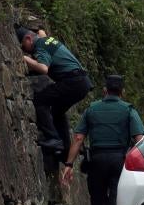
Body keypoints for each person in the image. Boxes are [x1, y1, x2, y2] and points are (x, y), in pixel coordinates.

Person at [61, 75, 144, 205]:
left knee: (98, 202)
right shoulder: (128, 110)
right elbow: (140, 140)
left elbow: (79, 138)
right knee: (116, 201)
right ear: (123, 92)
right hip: (119, 161)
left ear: (105, 90)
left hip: (97, 161)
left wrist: (69, 164)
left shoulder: (91, 109)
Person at [15, 26, 93, 161]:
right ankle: (64, 151)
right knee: (57, 112)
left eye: (23, 46)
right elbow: (41, 32)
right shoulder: (46, 40)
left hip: (72, 82)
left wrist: (24, 59)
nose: (25, 50)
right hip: (82, 83)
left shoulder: (39, 45)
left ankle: (53, 138)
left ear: (28, 39)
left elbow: (44, 68)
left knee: (40, 100)